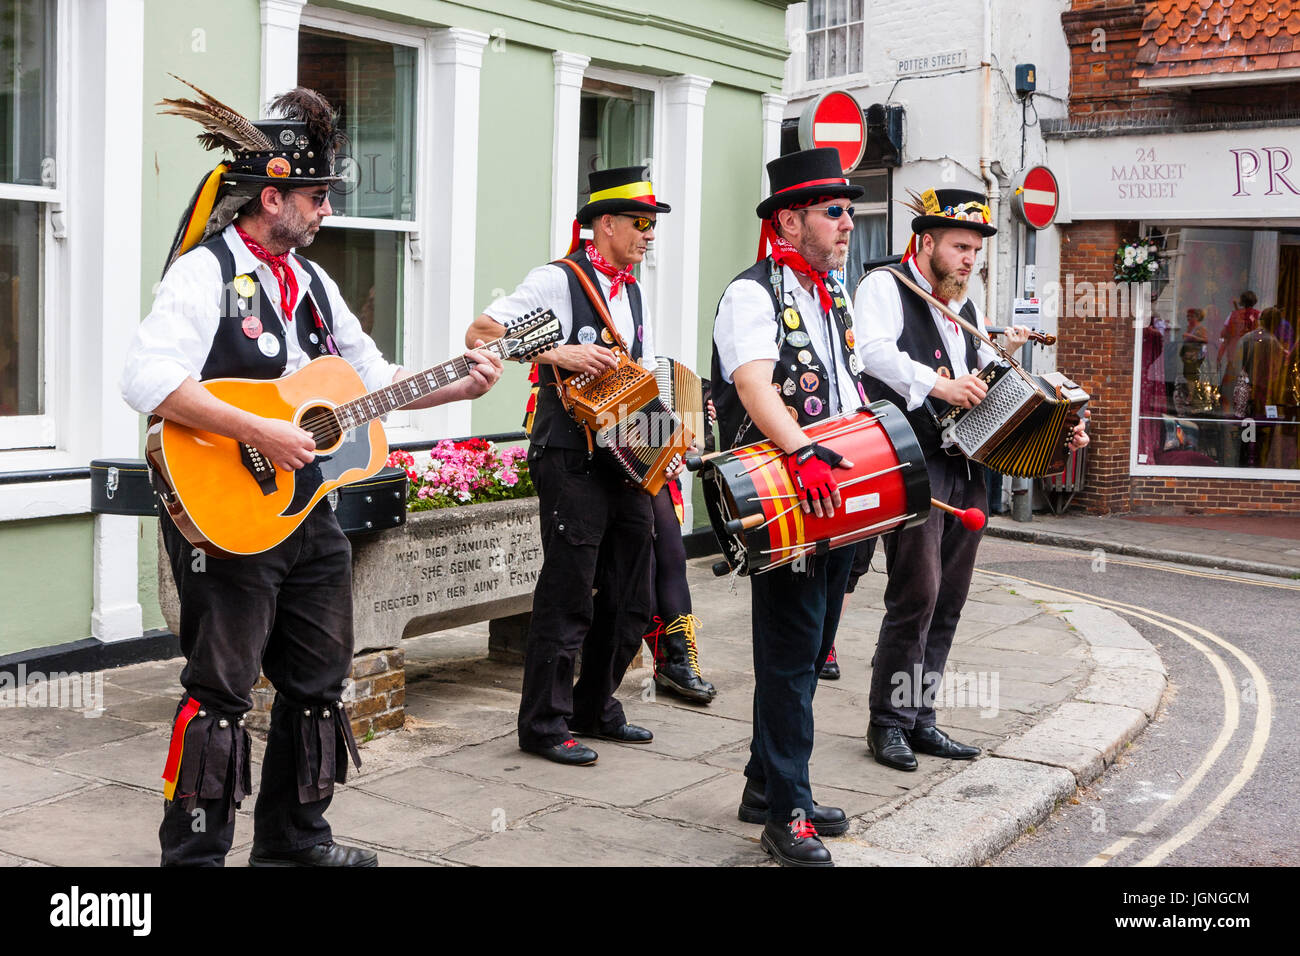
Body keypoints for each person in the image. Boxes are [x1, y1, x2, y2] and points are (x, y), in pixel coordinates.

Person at [121, 81, 502, 866]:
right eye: (316, 196)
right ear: (271, 197)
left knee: (318, 682)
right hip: (229, 516)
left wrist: (454, 384)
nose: (327, 209)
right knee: (221, 692)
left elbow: (369, 382)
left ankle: (296, 845)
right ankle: (192, 860)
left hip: (309, 517)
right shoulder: (205, 275)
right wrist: (260, 427)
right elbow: (147, 380)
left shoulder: (318, 288)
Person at [854, 187, 1087, 773]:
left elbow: (981, 395)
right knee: (917, 593)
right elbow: (872, 354)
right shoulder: (884, 286)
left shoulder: (967, 309)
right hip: (911, 461)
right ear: (925, 241)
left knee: (950, 598)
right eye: (960, 247)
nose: (968, 260)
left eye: (975, 251)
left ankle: (920, 717)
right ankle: (888, 723)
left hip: (964, 467)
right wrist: (940, 385)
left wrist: (1058, 430)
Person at [467, 166, 672, 766]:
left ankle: (594, 705)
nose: (647, 235)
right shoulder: (558, 279)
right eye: (640, 224)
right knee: (568, 591)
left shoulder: (632, 290)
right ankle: (544, 723)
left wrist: (667, 446)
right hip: (569, 454)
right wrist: (559, 350)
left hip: (626, 453)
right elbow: (483, 334)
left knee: (633, 592)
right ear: (604, 224)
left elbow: (644, 377)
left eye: (651, 226)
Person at [710, 147, 866, 867]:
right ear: (789, 219)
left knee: (809, 650)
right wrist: (802, 451)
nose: (847, 223)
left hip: (834, 498)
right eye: (834, 211)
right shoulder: (752, 294)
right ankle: (788, 813)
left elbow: (846, 389)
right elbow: (753, 386)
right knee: (789, 659)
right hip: (784, 498)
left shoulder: (830, 295)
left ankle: (764, 786)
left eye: (849, 211)